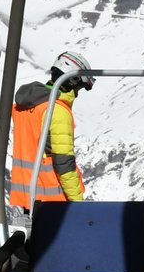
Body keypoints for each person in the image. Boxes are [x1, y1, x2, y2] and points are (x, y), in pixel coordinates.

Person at [8, 49, 94, 208]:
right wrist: (78, 203)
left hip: (26, 197)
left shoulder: (23, 106)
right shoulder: (58, 111)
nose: (78, 93)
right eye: (80, 87)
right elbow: (64, 164)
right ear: (72, 81)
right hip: (53, 200)